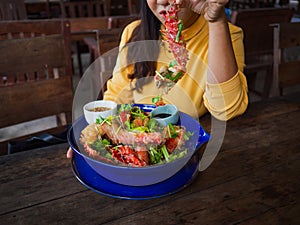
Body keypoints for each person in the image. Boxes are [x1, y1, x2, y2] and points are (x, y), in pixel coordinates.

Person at [67, 0, 248, 158]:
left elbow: (226, 110)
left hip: (187, 150)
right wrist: (92, 136)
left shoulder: (225, 34)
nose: (162, 1)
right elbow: (116, 97)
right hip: (135, 145)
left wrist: (216, 22)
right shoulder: (134, 32)